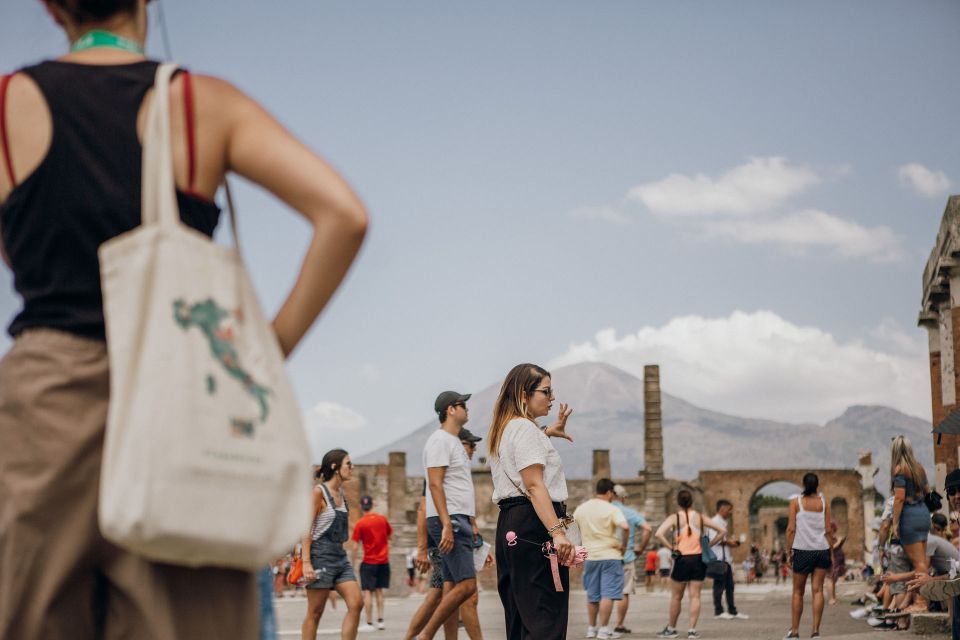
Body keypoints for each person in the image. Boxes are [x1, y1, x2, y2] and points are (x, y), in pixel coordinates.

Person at [0, 2, 367, 639]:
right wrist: (265, 352)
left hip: (43, 397)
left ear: (51, 5)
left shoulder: (8, 106)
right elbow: (343, 214)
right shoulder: (201, 104)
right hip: (183, 392)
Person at [489, 363, 575, 640]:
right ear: (523, 394)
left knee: (522, 614)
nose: (552, 398)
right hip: (535, 525)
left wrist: (547, 432)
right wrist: (558, 532)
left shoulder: (507, 429)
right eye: (546, 391)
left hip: (512, 525)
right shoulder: (524, 429)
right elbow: (535, 485)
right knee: (545, 616)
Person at [419, 391, 479, 640]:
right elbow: (434, 484)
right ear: (450, 410)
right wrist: (446, 523)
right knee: (467, 585)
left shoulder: (453, 441)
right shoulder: (440, 440)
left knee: (453, 586)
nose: (467, 408)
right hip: (450, 519)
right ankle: (425, 636)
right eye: (462, 404)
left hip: (458, 518)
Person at [301, 450, 364, 640]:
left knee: (356, 603)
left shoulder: (341, 494)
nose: (352, 468)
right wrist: (306, 562)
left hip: (339, 556)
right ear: (335, 467)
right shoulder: (319, 493)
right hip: (320, 556)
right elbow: (307, 528)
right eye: (348, 464)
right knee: (315, 612)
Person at [654, 490, 726, 639]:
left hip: (681, 559)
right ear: (692, 501)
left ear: (678, 502)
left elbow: (659, 534)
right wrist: (709, 545)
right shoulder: (700, 517)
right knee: (695, 596)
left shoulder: (674, 518)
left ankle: (672, 628)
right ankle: (692, 630)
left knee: (676, 597)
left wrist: (671, 547)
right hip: (698, 559)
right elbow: (722, 531)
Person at [574, 479, 630, 639]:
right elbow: (625, 527)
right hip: (610, 556)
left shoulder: (582, 508)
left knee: (592, 594)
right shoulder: (611, 508)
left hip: (590, 557)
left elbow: (571, 526)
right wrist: (624, 546)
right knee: (608, 593)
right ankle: (604, 629)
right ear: (609, 492)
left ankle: (591, 628)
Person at [784, 473, 837, 640]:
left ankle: (794, 632)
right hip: (821, 550)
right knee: (818, 590)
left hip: (802, 550)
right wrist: (832, 553)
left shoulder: (795, 502)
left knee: (798, 592)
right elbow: (828, 530)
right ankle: (815, 632)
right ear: (817, 485)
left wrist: (788, 552)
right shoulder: (824, 503)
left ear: (803, 485)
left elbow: (791, 529)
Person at [456, 426, 493, 640]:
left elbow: (469, 515)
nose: (473, 449)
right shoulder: (446, 471)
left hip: (465, 538)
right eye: (470, 445)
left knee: (459, 597)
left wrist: (478, 543)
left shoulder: (463, 474)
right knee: (467, 595)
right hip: (451, 539)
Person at [890, 435, 931, 613]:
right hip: (923, 514)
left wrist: (895, 522)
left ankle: (921, 602)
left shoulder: (900, 469)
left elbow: (899, 498)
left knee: (918, 563)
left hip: (909, 516)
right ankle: (919, 599)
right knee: (922, 561)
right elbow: (928, 491)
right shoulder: (920, 468)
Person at [611, 484, 652, 635]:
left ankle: (597, 627)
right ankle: (619, 624)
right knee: (624, 592)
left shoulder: (605, 511)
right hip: (626, 557)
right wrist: (641, 548)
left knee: (603, 592)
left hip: (605, 555)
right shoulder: (630, 512)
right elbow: (648, 529)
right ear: (624, 498)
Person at [351, 496, 393, 632]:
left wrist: (353, 562)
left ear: (361, 507)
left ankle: (369, 622)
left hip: (368, 561)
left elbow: (355, 546)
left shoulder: (360, 523)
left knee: (367, 592)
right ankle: (381, 620)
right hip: (383, 561)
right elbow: (389, 536)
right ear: (372, 505)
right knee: (380, 591)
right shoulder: (382, 520)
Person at [709, 500, 748, 621]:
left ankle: (732, 610)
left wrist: (731, 542)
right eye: (729, 509)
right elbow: (713, 539)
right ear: (722, 509)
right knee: (719, 586)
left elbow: (723, 540)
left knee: (730, 586)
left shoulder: (722, 523)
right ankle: (718, 611)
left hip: (726, 559)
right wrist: (730, 542)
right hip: (719, 559)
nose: (731, 512)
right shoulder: (714, 522)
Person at [825, 522, 846, 605]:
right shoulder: (827, 538)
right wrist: (839, 541)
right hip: (831, 560)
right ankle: (831, 599)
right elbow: (831, 548)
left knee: (833, 579)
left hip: (837, 560)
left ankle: (833, 598)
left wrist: (841, 541)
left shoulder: (833, 537)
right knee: (829, 578)